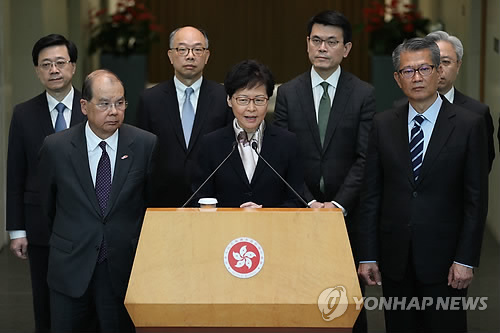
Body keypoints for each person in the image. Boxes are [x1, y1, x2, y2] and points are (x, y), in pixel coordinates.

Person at [358, 38, 488, 332]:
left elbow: (475, 200)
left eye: (424, 68)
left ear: (438, 71)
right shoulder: (382, 124)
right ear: (397, 78)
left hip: (446, 263)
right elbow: (371, 194)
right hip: (395, 260)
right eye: (408, 71)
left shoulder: (468, 124)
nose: (416, 77)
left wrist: (466, 259)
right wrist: (368, 254)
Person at [273, 11, 375, 331]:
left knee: (347, 303)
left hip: (346, 214)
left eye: (332, 42)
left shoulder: (363, 94)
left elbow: (364, 158)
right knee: (300, 297)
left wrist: (338, 205)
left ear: (346, 49)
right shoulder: (288, 92)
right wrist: (308, 202)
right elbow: (281, 156)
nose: (322, 48)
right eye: (316, 41)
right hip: (299, 211)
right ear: (307, 45)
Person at [38, 70, 157, 332]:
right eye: (104, 103)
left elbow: (149, 203)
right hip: (70, 267)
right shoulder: (56, 147)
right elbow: (46, 207)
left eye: (120, 102)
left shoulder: (144, 144)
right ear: (84, 106)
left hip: (122, 268)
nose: (113, 111)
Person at [6, 33, 85, 333]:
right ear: (37, 71)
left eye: (60, 63)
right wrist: (16, 230)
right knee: (44, 300)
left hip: (84, 224)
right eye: (46, 64)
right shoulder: (24, 114)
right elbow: (15, 174)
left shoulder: (90, 109)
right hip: (39, 227)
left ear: (73, 67)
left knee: (84, 299)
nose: (54, 70)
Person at [136, 26, 232, 207]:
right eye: (182, 49)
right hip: (163, 201)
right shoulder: (150, 100)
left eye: (197, 49)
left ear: (207, 56)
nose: (190, 55)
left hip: (213, 199)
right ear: (171, 56)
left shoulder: (224, 97)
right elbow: (142, 156)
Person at [192, 60, 304, 208]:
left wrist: (264, 215)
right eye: (243, 100)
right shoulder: (210, 145)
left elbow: (296, 201)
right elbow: (200, 200)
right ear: (229, 100)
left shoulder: (287, 143)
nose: (251, 108)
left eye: (259, 100)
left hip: (273, 229)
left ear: (268, 101)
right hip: (225, 229)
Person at [395, 30, 495, 170]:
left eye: (446, 62)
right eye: (432, 63)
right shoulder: (399, 110)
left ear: (458, 65)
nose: (440, 68)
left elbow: (481, 169)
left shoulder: (477, 113)